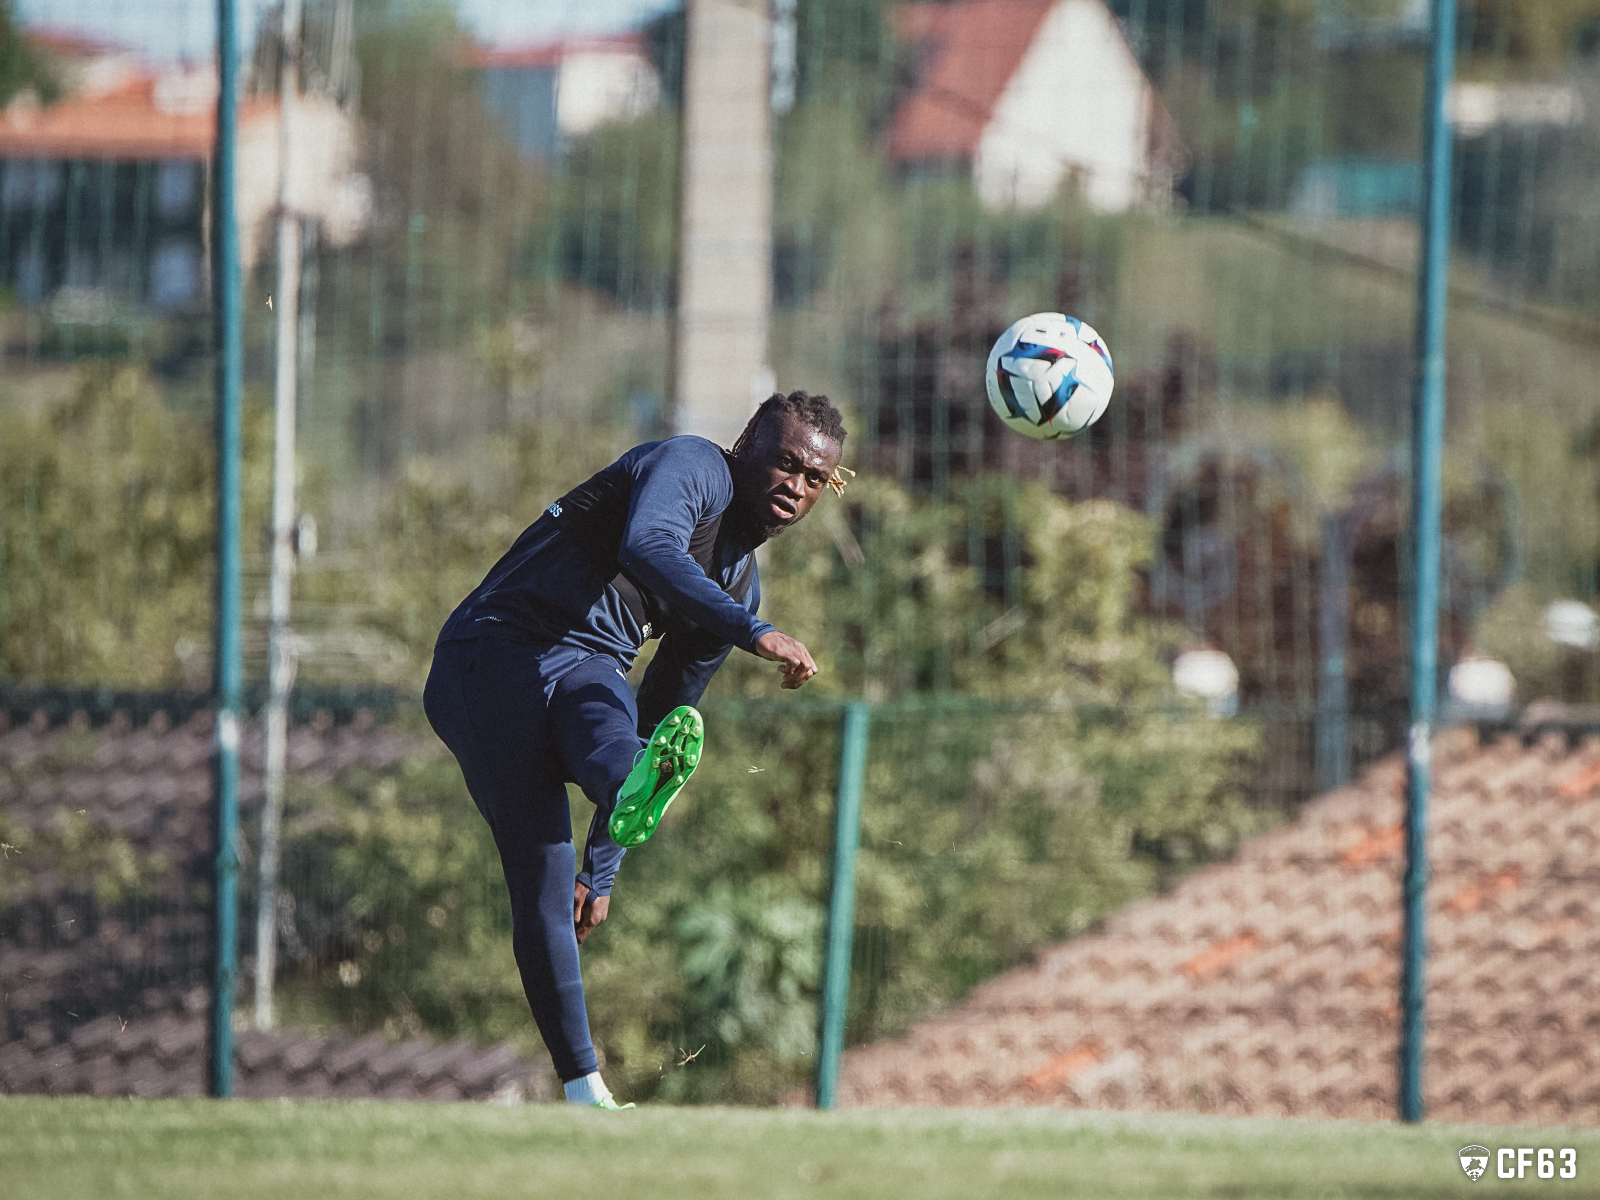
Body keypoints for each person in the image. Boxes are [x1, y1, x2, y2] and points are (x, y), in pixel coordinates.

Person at [423, 390, 848, 1109]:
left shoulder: (737, 582)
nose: (796, 486)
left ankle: (626, 792)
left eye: (815, 479)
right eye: (785, 463)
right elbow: (646, 546)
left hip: (585, 669)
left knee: (617, 719)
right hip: (492, 654)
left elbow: (664, 714)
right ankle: (581, 1080)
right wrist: (756, 633)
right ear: (746, 445)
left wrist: (604, 868)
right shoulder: (693, 466)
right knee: (543, 873)